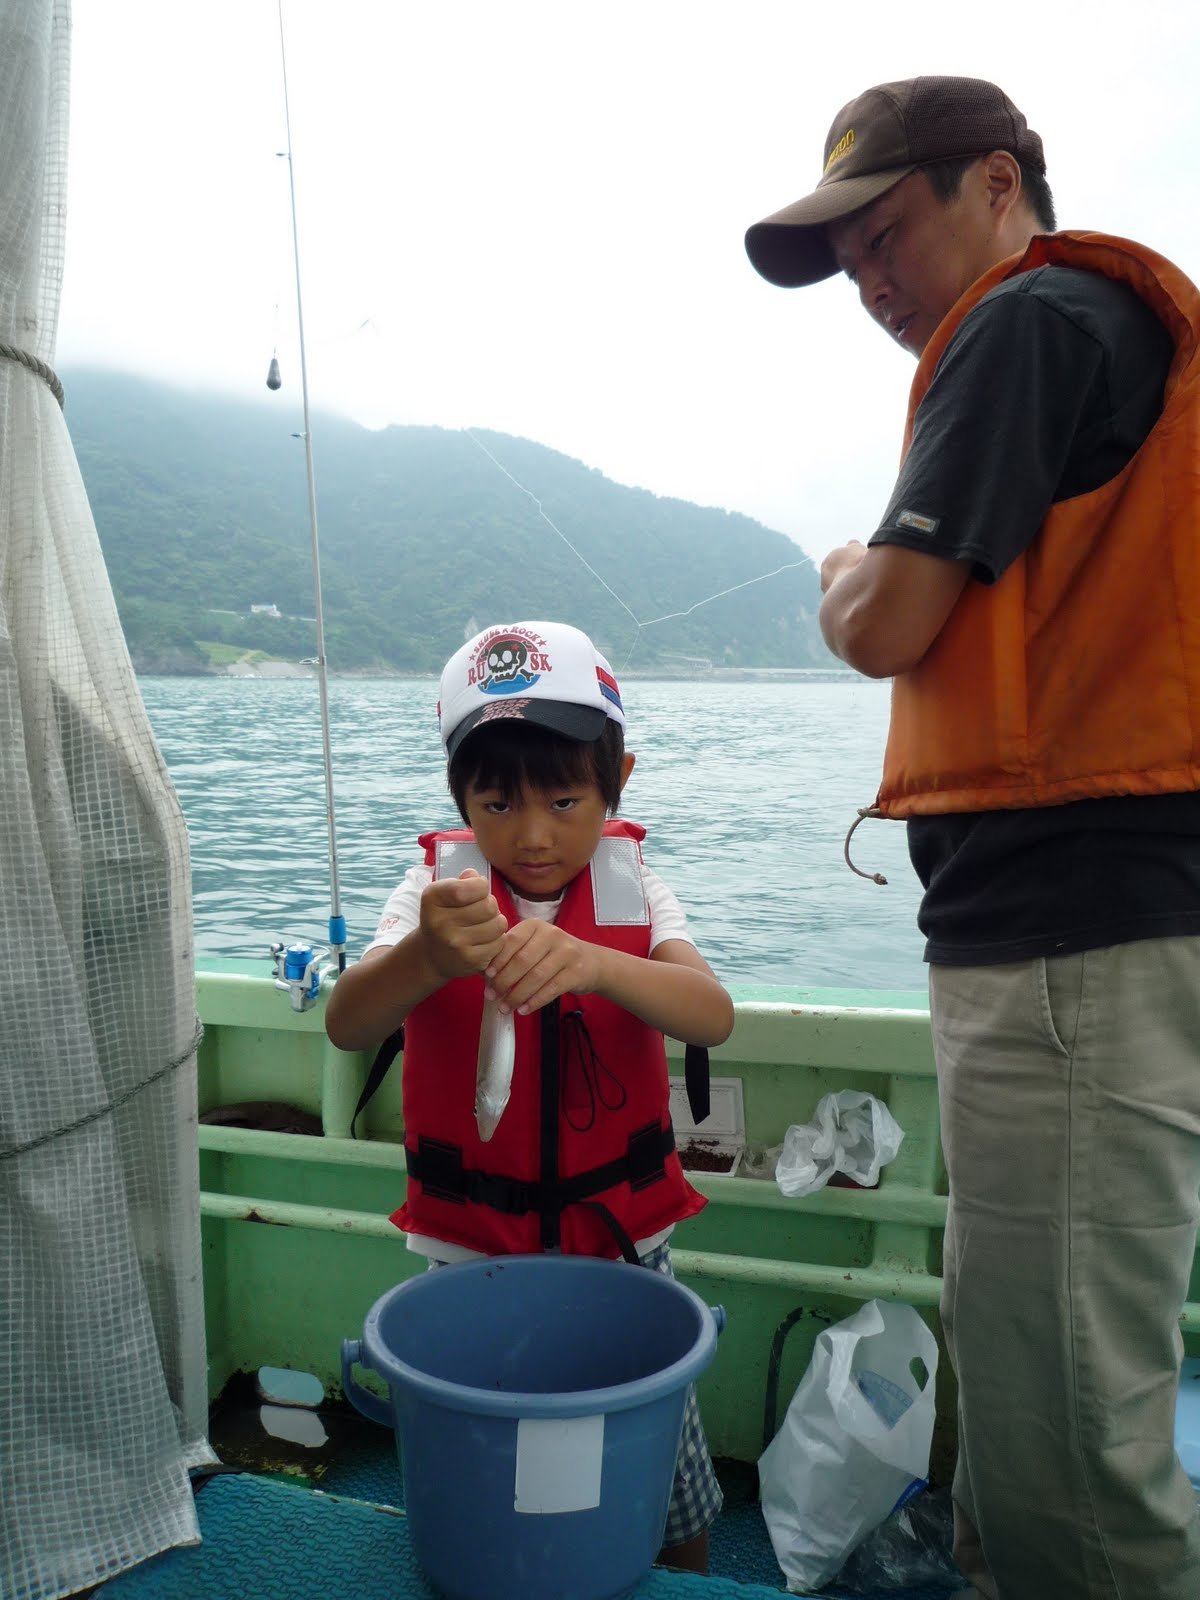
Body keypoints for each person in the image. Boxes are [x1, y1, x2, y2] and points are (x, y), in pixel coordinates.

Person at [745, 75, 1200, 1600]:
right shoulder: (1088, 335)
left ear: (997, 185)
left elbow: (889, 623)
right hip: (1074, 938)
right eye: (847, 263)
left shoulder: (1024, 325)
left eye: (883, 237)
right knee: (1023, 1366)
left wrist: (839, 575)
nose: (869, 283)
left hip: (1071, 947)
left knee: (1069, 1425)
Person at [324, 619, 734, 1574]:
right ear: (460, 797)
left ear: (617, 781)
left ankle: (684, 1578)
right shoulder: (429, 895)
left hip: (624, 1243)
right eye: (498, 802)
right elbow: (347, 1022)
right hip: (471, 1250)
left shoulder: (637, 892)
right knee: (483, 1461)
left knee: (667, 1473)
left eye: (565, 798)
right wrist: (426, 957)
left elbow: (711, 1015)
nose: (534, 833)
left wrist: (596, 963)